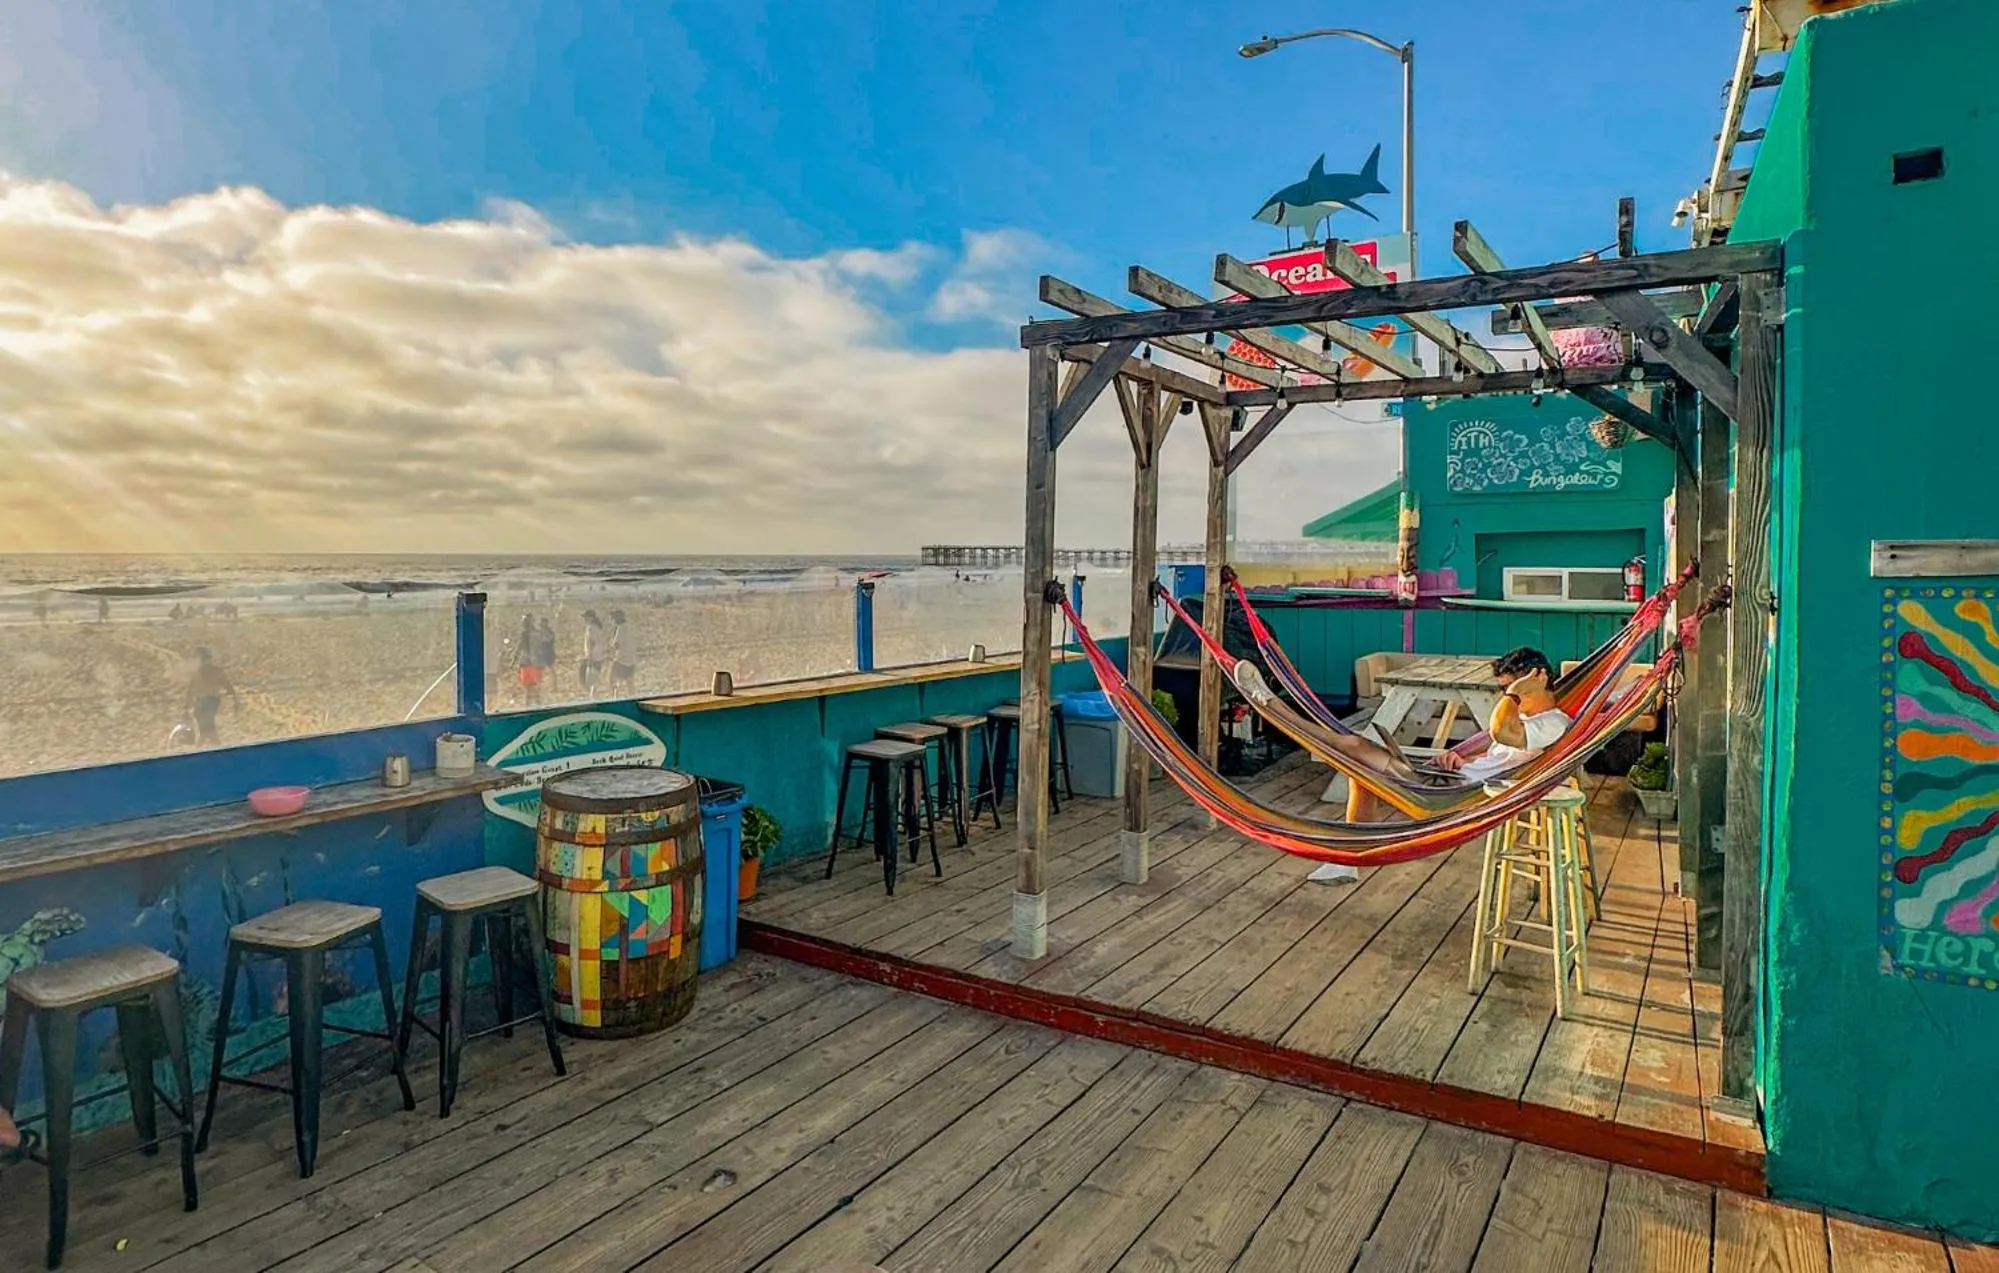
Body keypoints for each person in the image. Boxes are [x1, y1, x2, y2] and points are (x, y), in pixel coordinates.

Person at [1307, 646, 1571, 884]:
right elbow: (1501, 758)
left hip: (1454, 793)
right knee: (1362, 773)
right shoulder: (1525, 719)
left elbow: (1501, 732)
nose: (1506, 695)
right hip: (1450, 778)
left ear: (1539, 679)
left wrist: (1514, 693)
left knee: (1356, 747)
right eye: (1504, 689)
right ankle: (1349, 861)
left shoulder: (1553, 723)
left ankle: (1286, 717)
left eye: (1511, 688)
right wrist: (1462, 760)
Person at [184, 647, 239, 746]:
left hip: (207, 702)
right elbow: (190, 691)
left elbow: (228, 687)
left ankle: (206, 749)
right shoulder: (205, 672)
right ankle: (216, 749)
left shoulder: (211, 672)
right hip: (203, 702)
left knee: (207, 731)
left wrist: (187, 707)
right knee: (206, 731)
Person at [606, 610, 635, 697]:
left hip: (621, 659)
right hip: (631, 659)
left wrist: (610, 647)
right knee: (629, 682)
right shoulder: (629, 627)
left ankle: (614, 697)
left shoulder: (621, 628)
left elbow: (616, 645)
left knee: (612, 679)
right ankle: (632, 697)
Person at [515, 615, 542, 706]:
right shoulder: (527, 633)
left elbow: (520, 647)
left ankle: (534, 704)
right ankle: (531, 704)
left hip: (530, 662)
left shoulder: (533, 634)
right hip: (528, 662)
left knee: (532, 686)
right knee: (529, 686)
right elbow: (520, 647)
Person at [578, 610, 605, 698]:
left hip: (593, 657)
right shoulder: (598, 627)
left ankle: (592, 696)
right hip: (599, 655)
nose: (585, 619)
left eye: (586, 617)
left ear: (591, 617)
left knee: (587, 680)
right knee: (593, 679)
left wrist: (589, 655)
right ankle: (593, 695)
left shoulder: (591, 628)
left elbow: (591, 642)